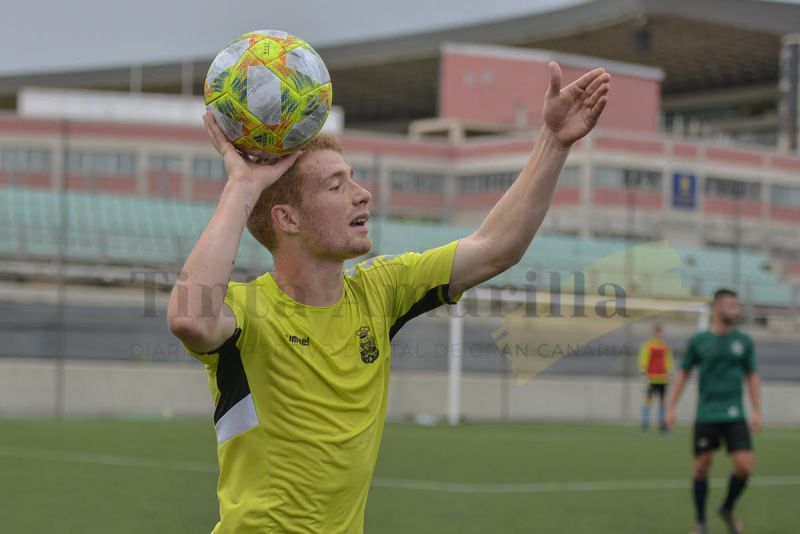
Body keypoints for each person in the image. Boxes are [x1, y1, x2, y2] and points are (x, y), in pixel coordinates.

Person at [167, 62, 610, 533]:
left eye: (353, 179)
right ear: (287, 219)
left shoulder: (379, 290)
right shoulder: (245, 311)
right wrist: (243, 184)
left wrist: (554, 141)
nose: (362, 195)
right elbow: (190, 320)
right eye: (337, 186)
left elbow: (495, 248)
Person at [666, 289, 762, 534]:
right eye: (731, 305)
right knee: (701, 466)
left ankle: (727, 508)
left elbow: (752, 376)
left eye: (738, 306)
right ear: (717, 308)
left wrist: (757, 410)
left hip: (735, 414)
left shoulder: (744, 342)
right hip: (707, 414)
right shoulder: (699, 341)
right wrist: (671, 407)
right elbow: (683, 374)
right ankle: (700, 522)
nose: (736, 310)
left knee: (744, 466)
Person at [638, 323, 673, 433]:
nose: (659, 334)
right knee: (648, 401)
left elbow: (668, 360)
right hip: (651, 378)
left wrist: (669, 371)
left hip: (662, 378)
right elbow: (643, 359)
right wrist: (643, 371)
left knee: (662, 402)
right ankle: (645, 424)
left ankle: (662, 425)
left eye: (660, 332)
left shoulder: (665, 347)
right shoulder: (647, 345)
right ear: (654, 333)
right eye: (657, 332)